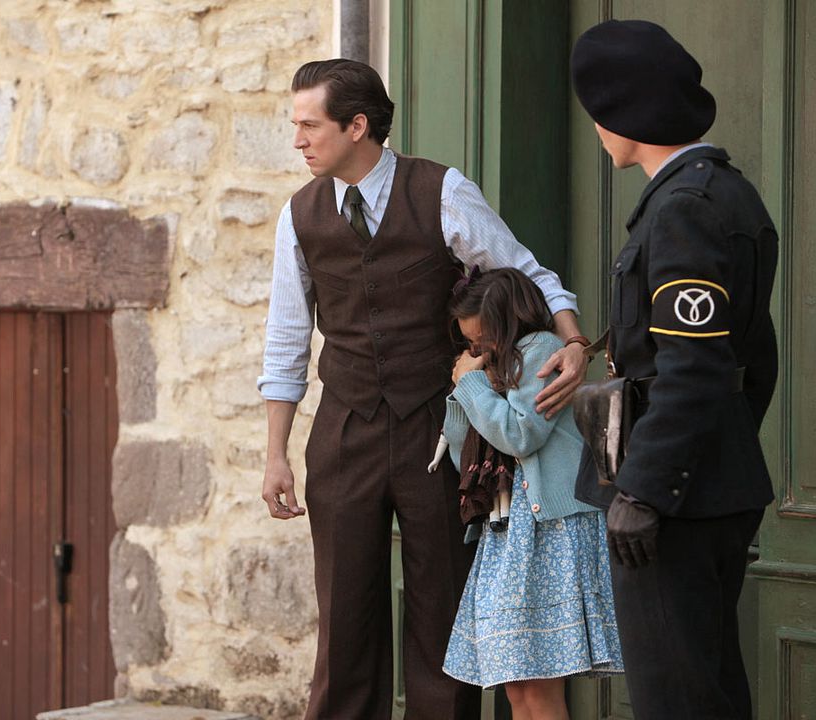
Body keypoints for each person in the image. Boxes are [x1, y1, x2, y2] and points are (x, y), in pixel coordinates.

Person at [258, 58, 590, 719]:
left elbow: (528, 276)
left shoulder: (442, 192)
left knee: (444, 611)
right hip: (344, 431)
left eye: (308, 125)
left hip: (443, 431)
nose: (297, 140)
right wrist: (275, 453)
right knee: (344, 618)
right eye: (295, 125)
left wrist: (575, 341)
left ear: (357, 126)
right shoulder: (298, 216)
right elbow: (285, 342)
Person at [570, 20, 778, 720]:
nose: (598, 127)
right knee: (709, 687)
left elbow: (693, 368)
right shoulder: (725, 193)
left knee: (675, 698)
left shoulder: (682, 209)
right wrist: (720, 448)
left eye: (600, 109)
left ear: (627, 111)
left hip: (674, 501)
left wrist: (646, 490)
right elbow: (757, 355)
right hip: (712, 482)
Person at [440, 267, 623, 720]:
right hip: (509, 535)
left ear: (505, 321)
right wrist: (463, 392)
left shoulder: (541, 349)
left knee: (537, 684)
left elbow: (520, 435)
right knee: (517, 684)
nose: (477, 350)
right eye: (470, 344)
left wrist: (472, 385)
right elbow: (464, 461)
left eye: (482, 339)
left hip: (549, 532)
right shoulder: (495, 370)